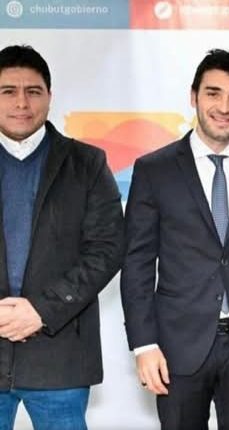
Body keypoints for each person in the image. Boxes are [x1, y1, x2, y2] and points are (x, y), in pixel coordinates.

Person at [121, 49, 229, 430]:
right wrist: (144, 344)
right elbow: (137, 264)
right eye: (213, 93)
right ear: (193, 96)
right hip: (177, 348)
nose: (224, 107)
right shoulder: (154, 170)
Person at [0, 45, 124, 429]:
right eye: (8, 91)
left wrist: (41, 310)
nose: (22, 103)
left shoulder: (87, 163)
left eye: (33, 91)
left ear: (50, 97)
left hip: (60, 355)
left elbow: (107, 249)